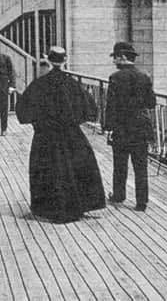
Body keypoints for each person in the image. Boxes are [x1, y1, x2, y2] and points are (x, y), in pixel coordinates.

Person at [16, 46, 106, 223]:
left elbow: (23, 109)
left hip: (46, 136)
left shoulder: (39, 84)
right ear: (65, 61)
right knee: (76, 166)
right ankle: (77, 205)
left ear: (48, 61)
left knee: (47, 169)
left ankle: (48, 208)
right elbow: (90, 109)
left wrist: (38, 123)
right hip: (70, 135)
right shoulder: (72, 84)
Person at [103, 41, 156, 212]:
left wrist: (108, 127)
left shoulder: (115, 78)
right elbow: (152, 103)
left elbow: (110, 106)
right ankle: (142, 202)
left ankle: (119, 195)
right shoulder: (145, 76)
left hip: (122, 127)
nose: (114, 61)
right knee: (141, 167)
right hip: (141, 127)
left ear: (123, 57)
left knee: (120, 164)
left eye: (116, 57)